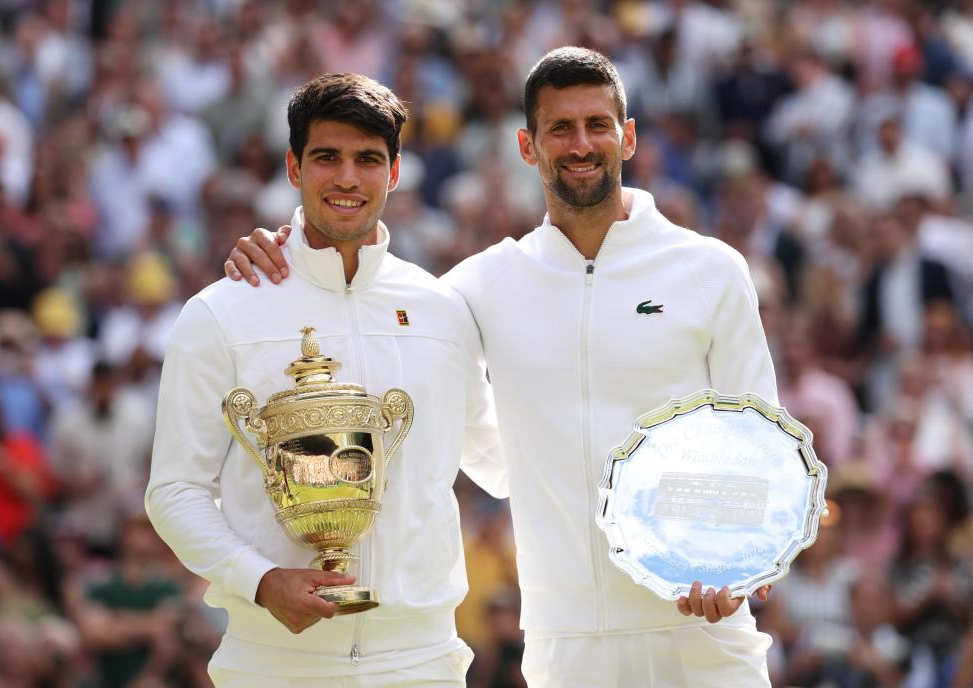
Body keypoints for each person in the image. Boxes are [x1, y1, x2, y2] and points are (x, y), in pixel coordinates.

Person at [226, 48, 777, 686]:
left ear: (627, 136)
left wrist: (739, 561)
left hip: (704, 636)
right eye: (559, 128)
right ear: (527, 145)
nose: (581, 144)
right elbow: (366, 303)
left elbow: (760, 439)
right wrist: (286, 256)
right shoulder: (480, 284)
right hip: (564, 645)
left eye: (598, 124)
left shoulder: (710, 270)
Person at [146, 73, 504, 687]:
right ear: (293, 167)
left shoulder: (442, 310)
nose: (346, 179)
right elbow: (174, 490)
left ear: (394, 173)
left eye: (368, 159)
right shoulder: (221, 311)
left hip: (421, 661)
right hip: (273, 660)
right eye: (327, 158)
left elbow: (501, 462)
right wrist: (257, 579)